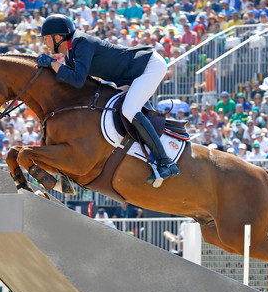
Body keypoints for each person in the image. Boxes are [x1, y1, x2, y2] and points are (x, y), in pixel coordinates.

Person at [38, 14, 179, 186]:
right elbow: (73, 84)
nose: (44, 43)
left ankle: (165, 161)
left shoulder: (81, 42)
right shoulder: (71, 55)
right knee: (122, 112)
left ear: (58, 37)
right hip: (129, 77)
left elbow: (77, 79)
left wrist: (53, 64)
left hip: (147, 66)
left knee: (129, 110)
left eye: (46, 39)